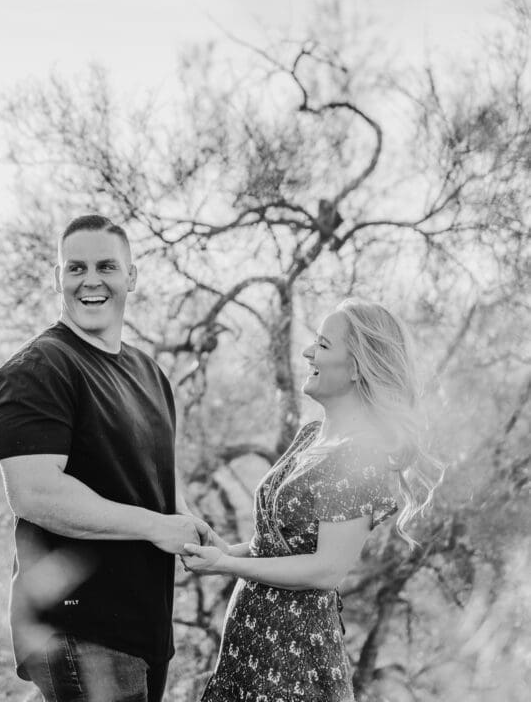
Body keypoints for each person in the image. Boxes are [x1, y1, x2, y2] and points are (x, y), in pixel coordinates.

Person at [0, 214, 209, 702]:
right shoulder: (39, 369)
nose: (90, 281)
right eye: (76, 268)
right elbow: (36, 494)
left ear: (132, 276)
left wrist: (188, 523)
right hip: (78, 630)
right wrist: (155, 526)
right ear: (58, 278)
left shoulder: (148, 372)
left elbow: (150, 478)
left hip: (144, 632)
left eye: (106, 266)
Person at [183, 298, 443, 702]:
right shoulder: (310, 436)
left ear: (356, 367)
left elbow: (326, 569)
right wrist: (223, 551)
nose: (307, 352)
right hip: (248, 657)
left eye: (322, 345)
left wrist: (229, 566)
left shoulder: (361, 455)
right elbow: (276, 545)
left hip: (293, 672)